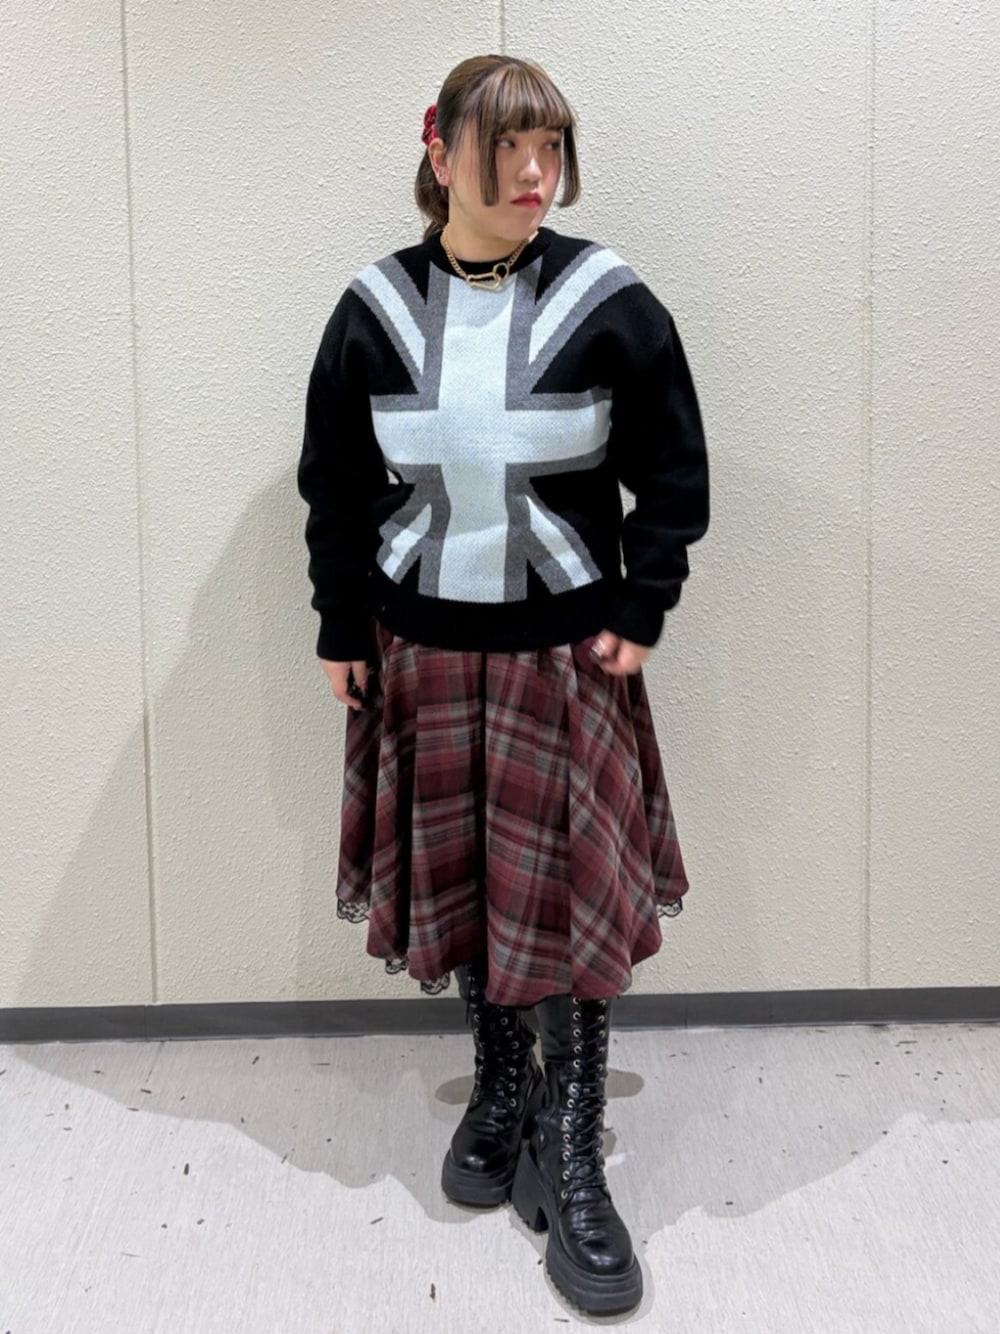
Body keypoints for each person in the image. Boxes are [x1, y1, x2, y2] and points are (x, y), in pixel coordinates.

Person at [297, 54, 709, 1317]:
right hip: (419, 650)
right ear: (441, 155)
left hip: (563, 657)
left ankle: (573, 1140)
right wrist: (341, 622)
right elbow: (334, 481)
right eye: (507, 149)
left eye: (551, 150)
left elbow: (674, 467)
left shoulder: (606, 297)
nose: (534, 174)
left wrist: (641, 601)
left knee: (568, 900)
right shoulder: (375, 306)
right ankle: (497, 1078)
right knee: (467, 882)